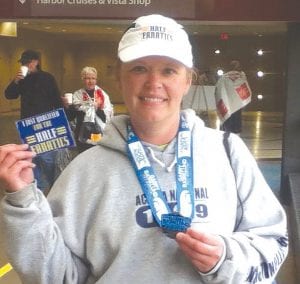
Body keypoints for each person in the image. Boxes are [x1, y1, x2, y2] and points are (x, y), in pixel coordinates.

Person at [0, 15, 288, 283]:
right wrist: (23, 200)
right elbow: (59, 276)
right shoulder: (85, 171)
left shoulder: (228, 152)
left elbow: (273, 241)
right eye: (139, 69)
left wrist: (226, 257)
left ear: (188, 80)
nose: (154, 83)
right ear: (120, 78)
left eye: (169, 71)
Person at [4, 49, 67, 193]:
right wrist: (15, 81)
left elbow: (56, 100)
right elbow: (9, 95)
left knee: (48, 160)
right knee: (32, 160)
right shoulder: (22, 79)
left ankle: (55, 189)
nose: (26, 65)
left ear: (36, 62)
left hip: (46, 123)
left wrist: (62, 121)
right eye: (23, 63)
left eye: (28, 62)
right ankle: (37, 190)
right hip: (27, 125)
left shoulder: (47, 78)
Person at [63, 66, 113, 153]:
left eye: (93, 78)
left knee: (96, 156)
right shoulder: (77, 95)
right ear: (83, 79)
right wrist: (67, 106)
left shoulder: (102, 95)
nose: (91, 81)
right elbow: (70, 117)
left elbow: (107, 117)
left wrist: (97, 108)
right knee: (83, 157)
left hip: (98, 132)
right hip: (82, 134)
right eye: (87, 78)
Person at [215, 60, 252, 134]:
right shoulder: (242, 77)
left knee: (228, 115)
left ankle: (227, 129)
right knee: (236, 115)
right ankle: (236, 130)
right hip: (238, 101)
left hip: (228, 100)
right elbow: (245, 88)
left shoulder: (224, 77)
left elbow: (218, 90)